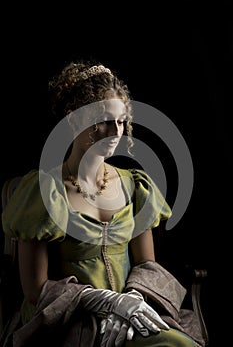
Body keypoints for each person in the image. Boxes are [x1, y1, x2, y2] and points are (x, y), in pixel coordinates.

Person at [0, 59, 205, 347]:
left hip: (131, 315)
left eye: (121, 121)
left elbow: (147, 263)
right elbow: (36, 289)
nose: (115, 131)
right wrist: (107, 303)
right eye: (104, 121)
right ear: (73, 119)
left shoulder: (133, 185)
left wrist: (131, 303)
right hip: (70, 319)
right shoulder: (44, 190)